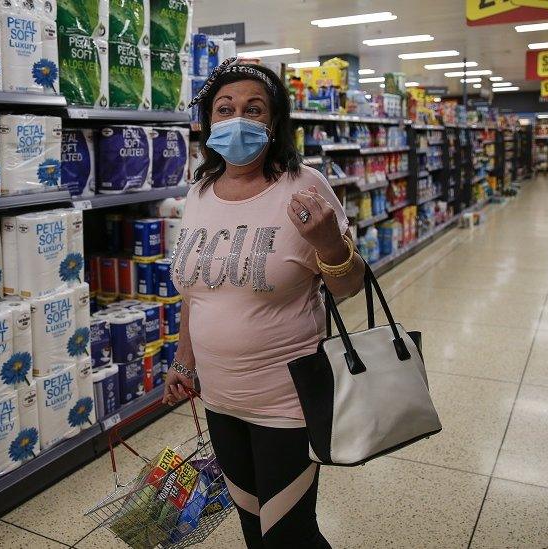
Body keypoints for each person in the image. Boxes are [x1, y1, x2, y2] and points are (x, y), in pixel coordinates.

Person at [162, 58, 365, 548]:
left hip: (286, 401)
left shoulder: (304, 186)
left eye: (253, 110)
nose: (237, 119)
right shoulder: (200, 191)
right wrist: (184, 362)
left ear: (274, 124)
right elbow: (197, 288)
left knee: (289, 536)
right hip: (220, 399)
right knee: (254, 530)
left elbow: (350, 286)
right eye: (224, 108)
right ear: (208, 120)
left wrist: (331, 245)